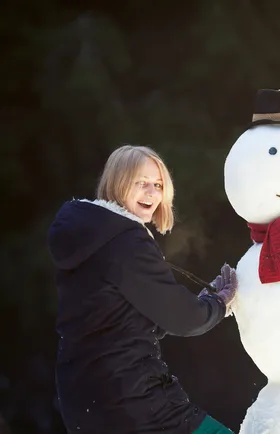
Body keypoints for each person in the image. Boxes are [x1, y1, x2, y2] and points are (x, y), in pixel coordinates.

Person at [47, 145, 236, 434]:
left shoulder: (89, 236)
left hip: (82, 402)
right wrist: (218, 304)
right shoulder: (125, 241)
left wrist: (201, 305)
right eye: (141, 183)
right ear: (118, 183)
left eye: (158, 185)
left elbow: (114, 320)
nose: (152, 193)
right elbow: (182, 319)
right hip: (133, 400)